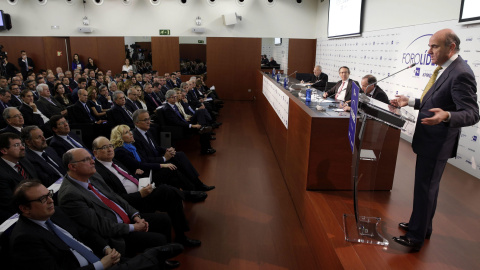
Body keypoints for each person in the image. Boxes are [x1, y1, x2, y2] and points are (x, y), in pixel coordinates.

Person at [391, 29, 479, 251]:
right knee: (426, 187)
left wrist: (447, 116)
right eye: (429, 46)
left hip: (437, 142)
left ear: (450, 48)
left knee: (425, 188)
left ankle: (415, 237)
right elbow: (436, 100)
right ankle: (421, 226)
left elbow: (472, 113)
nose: (428, 50)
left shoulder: (461, 73)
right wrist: (409, 101)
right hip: (430, 140)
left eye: (434, 46)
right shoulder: (446, 69)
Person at [10, 180, 183, 270]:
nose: (50, 200)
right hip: (92, 267)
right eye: (42, 199)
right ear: (24, 208)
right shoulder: (25, 239)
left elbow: (84, 232)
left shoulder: (56, 212)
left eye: (49, 194)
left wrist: (106, 248)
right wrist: (102, 265)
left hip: (100, 257)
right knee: (147, 263)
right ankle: (155, 254)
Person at [57, 148, 177, 261]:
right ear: (72, 166)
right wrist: (134, 227)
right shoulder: (70, 195)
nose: (92, 162)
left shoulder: (93, 175)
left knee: (164, 220)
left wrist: (135, 216)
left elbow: (115, 197)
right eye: (86, 160)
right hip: (115, 235)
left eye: (91, 158)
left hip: (126, 219)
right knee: (158, 240)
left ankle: (164, 259)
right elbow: (101, 226)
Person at [93, 136, 202, 246]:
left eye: (110, 146)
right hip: (133, 203)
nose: (110, 149)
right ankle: (186, 195)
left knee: (172, 196)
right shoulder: (99, 172)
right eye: (104, 147)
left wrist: (136, 175)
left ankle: (181, 236)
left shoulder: (114, 161)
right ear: (95, 153)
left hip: (141, 188)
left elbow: (127, 176)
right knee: (166, 190)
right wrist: (140, 194)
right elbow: (116, 199)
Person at [132, 109, 215, 191]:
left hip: (158, 157)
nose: (149, 122)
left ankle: (198, 184)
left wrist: (167, 150)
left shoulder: (147, 130)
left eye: (149, 119)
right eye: (145, 120)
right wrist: (164, 158)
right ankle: (191, 190)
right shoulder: (135, 138)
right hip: (152, 165)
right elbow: (145, 159)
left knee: (180, 155)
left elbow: (155, 147)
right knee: (174, 166)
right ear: (137, 123)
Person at [0, 132, 38, 220]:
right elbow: (11, 203)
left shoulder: (24, 160)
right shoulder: (1, 174)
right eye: (17, 145)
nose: (22, 147)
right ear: (4, 150)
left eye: (22, 144)